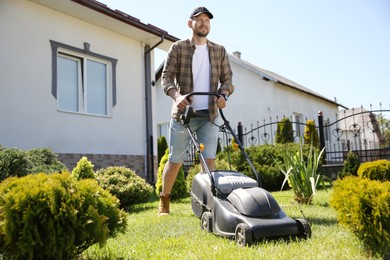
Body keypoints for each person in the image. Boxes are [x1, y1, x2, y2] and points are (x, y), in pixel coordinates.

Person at [159, 6, 234, 216]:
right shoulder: (178, 48)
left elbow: (227, 80)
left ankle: (207, 203)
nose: (204, 23)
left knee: (208, 161)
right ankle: (164, 199)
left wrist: (224, 94)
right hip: (184, 116)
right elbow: (166, 78)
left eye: (207, 20)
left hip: (209, 115)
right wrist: (177, 97)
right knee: (175, 161)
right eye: (199, 20)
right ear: (190, 23)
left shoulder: (219, 50)